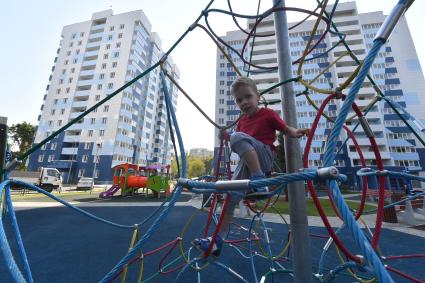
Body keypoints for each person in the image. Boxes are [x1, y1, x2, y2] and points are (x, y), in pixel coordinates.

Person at [192, 76, 309, 257]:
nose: (244, 102)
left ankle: (259, 179)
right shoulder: (242, 122)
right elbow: (241, 143)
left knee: (237, 137)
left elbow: (285, 129)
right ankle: (217, 241)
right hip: (248, 162)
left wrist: (296, 132)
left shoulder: (268, 114)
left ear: (258, 97)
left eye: (248, 97)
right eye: (239, 100)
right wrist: (225, 137)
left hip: (264, 156)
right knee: (230, 196)